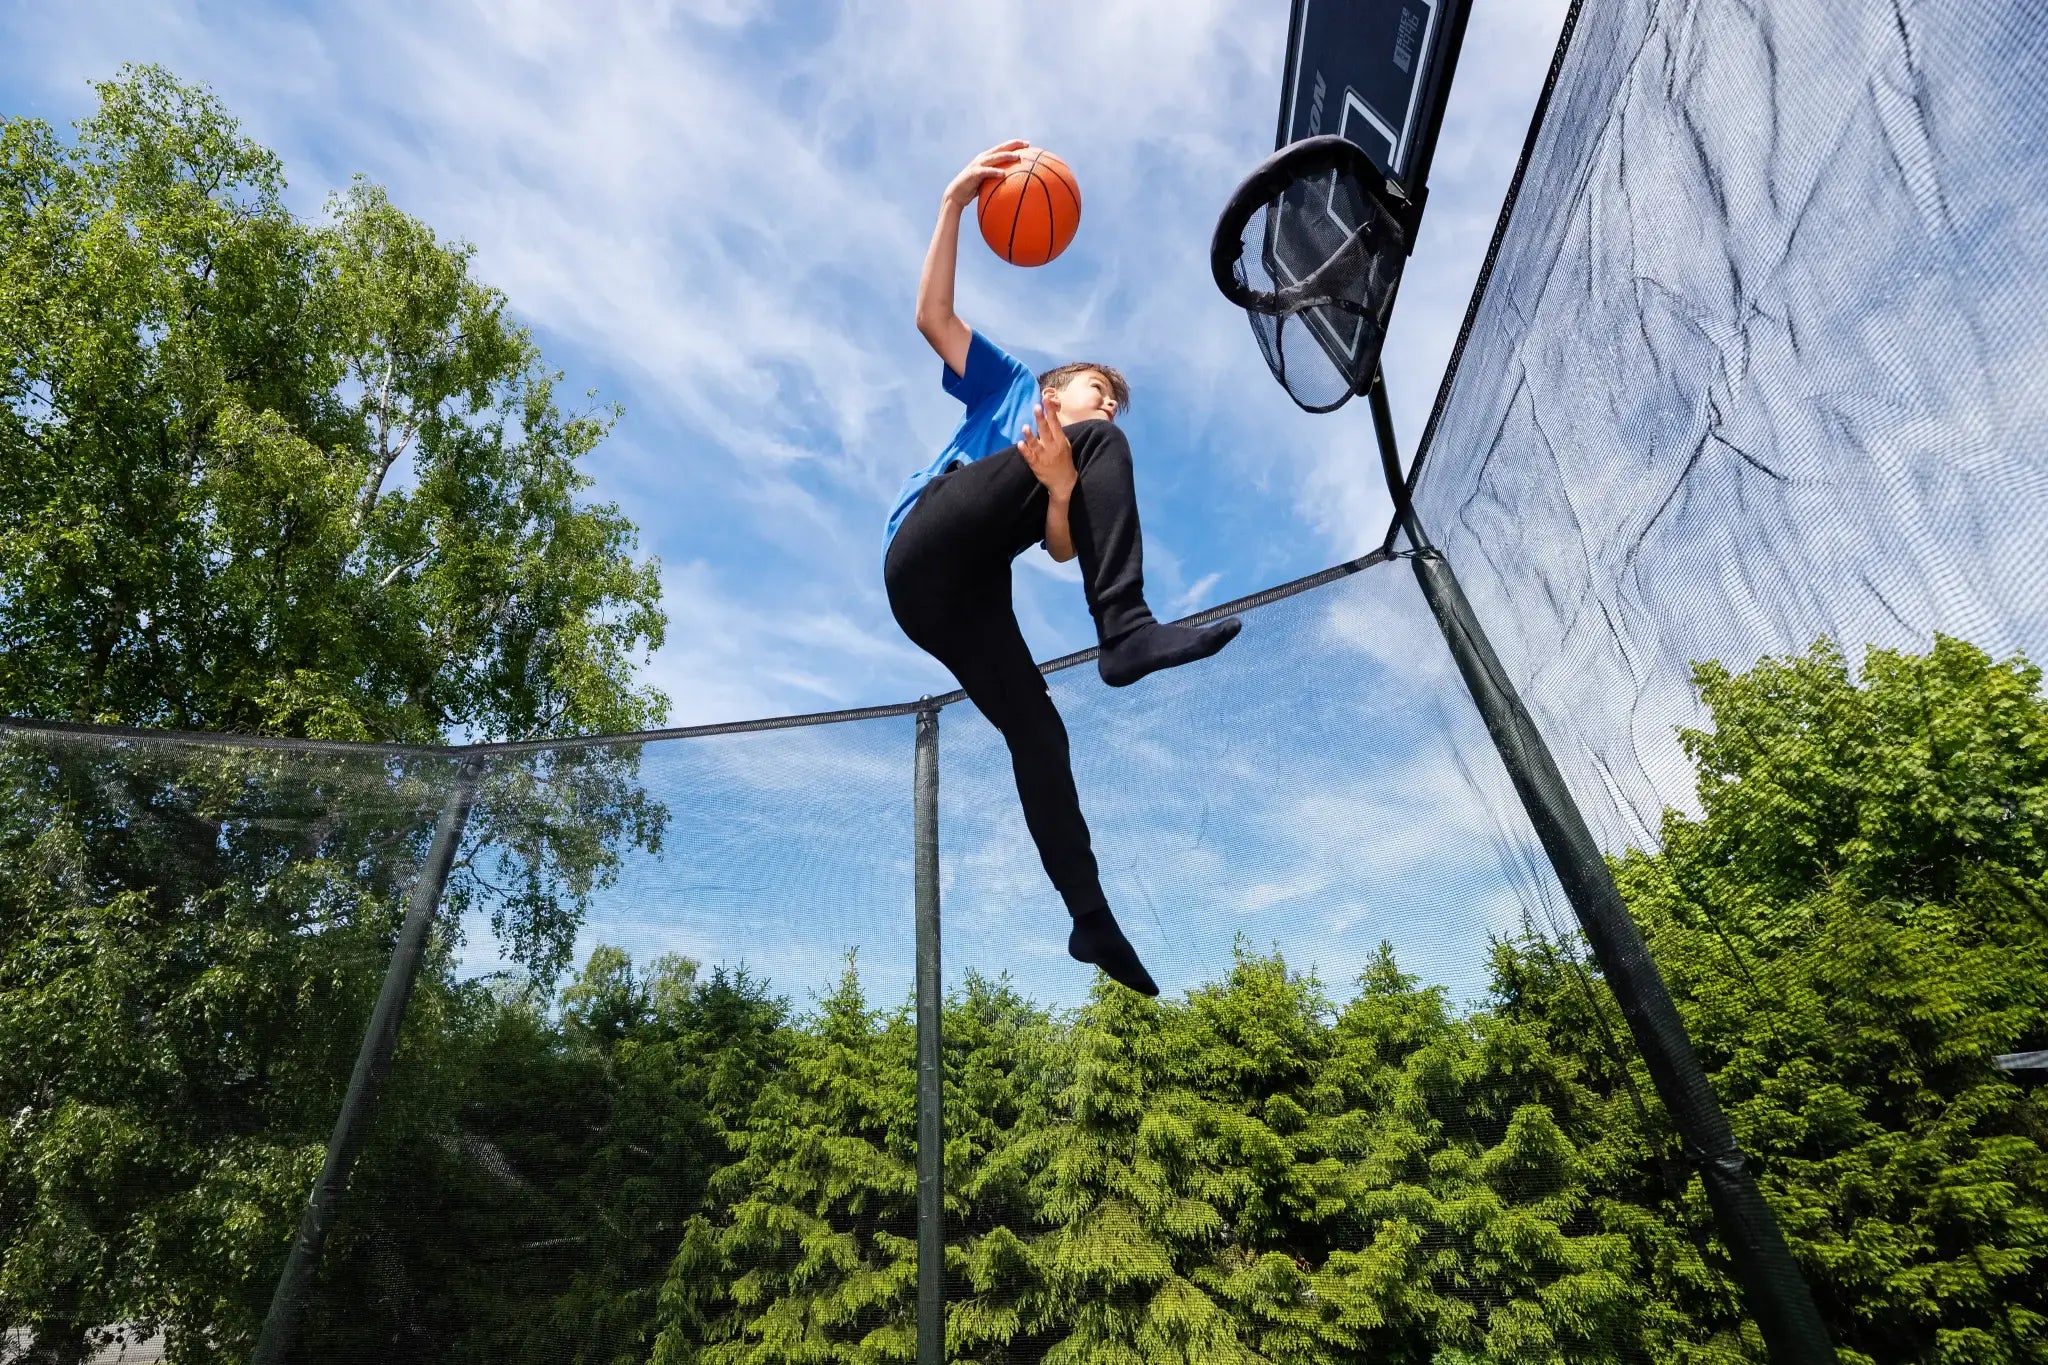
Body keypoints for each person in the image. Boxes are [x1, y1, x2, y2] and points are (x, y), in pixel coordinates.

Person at [883, 140, 1242, 997]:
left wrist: (1057, 487)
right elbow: (934, 317)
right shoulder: (1011, 387)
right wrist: (953, 204)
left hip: (958, 596)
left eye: (1112, 397)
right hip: (926, 541)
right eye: (1096, 388)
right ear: (1057, 386)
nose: (1107, 402)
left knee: (1040, 732)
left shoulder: (1072, 456)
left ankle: (1089, 917)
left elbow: (1059, 544)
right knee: (1095, 454)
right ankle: (1123, 629)